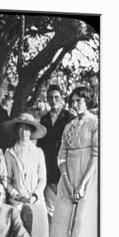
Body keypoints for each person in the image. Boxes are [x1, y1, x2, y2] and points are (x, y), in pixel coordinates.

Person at [49, 87, 99, 237]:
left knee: (83, 222)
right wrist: (68, 182)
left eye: (80, 100)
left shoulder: (95, 123)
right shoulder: (69, 125)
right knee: (63, 221)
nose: (75, 104)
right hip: (68, 178)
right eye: (74, 100)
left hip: (88, 177)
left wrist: (83, 184)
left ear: (88, 101)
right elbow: (61, 156)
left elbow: (96, 155)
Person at [1, 113, 50, 237]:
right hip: (17, 197)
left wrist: (35, 195)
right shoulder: (9, 152)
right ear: (17, 130)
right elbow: (6, 179)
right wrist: (15, 194)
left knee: (40, 222)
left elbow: (42, 178)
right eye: (21, 127)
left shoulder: (38, 152)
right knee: (16, 223)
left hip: (35, 197)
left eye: (28, 128)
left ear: (32, 131)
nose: (24, 132)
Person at [38, 85, 75, 221]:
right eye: (50, 98)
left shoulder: (70, 118)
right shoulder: (44, 119)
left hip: (64, 167)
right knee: (50, 208)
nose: (53, 100)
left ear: (62, 98)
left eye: (56, 97)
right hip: (48, 167)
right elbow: (41, 145)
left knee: (65, 209)